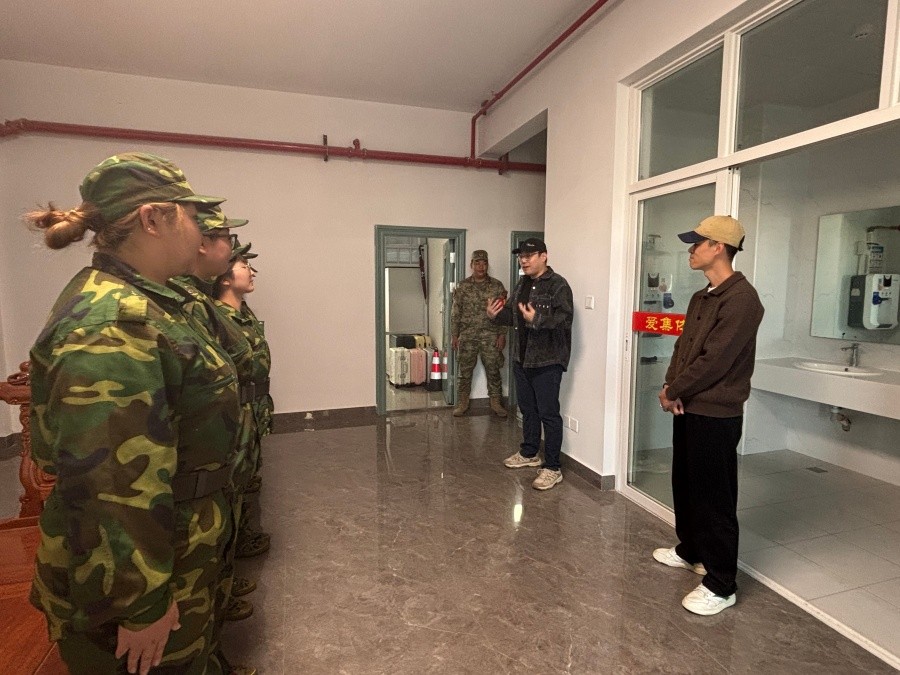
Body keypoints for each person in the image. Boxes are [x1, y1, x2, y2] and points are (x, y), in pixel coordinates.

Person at [25, 152, 255, 675]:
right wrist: (140, 603)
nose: (199, 230)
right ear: (153, 219)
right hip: (136, 569)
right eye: (190, 214)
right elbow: (108, 480)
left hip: (177, 538)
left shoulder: (152, 301)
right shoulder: (112, 324)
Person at [654, 215, 764, 616]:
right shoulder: (702, 297)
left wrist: (674, 391)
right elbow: (683, 348)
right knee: (685, 483)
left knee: (715, 497)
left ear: (718, 247)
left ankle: (721, 583)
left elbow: (715, 361)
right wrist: (671, 385)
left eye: (697, 243)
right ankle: (692, 550)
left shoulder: (743, 300)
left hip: (715, 413)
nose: (691, 249)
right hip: (688, 404)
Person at [167, 207, 266, 632]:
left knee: (232, 507)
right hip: (196, 462)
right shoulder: (181, 307)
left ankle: (221, 593)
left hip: (232, 430)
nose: (245, 265)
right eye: (227, 240)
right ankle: (215, 602)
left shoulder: (193, 304)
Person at [487, 238, 573, 490]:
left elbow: (565, 320)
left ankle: (553, 467)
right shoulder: (522, 283)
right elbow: (513, 315)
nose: (523, 261)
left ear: (544, 256)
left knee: (549, 414)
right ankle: (529, 452)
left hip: (547, 360)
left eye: (529, 256)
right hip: (521, 358)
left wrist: (538, 319)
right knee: (528, 409)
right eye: (521, 257)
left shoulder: (558, 285)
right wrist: (495, 316)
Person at [212, 240, 274, 561]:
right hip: (235, 411)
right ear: (224, 278)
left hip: (253, 408)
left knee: (247, 479)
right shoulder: (217, 318)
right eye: (244, 266)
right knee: (232, 484)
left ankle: (242, 538)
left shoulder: (243, 313)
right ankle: (229, 552)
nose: (251, 271)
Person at [450, 249, 508, 417]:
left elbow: (503, 313)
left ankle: (496, 403)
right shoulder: (463, 286)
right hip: (467, 335)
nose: (481, 266)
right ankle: (463, 403)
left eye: (484, 263)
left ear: (487, 265)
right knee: (464, 371)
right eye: (477, 263)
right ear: (471, 265)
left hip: (490, 335)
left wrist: (502, 334)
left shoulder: (497, 286)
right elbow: (456, 312)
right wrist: (454, 335)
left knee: (493, 369)